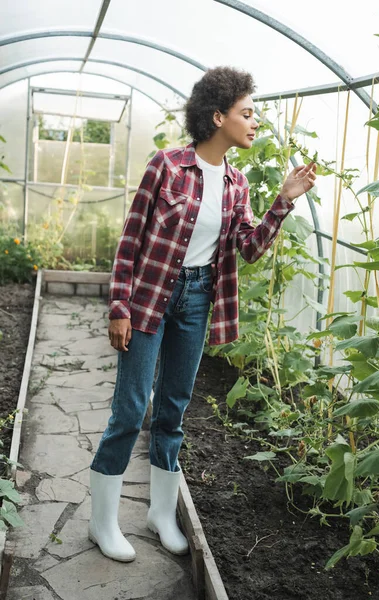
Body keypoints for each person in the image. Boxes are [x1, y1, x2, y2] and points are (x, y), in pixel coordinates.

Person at [89, 66, 317, 562]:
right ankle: (102, 523)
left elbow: (249, 249)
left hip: (195, 302)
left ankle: (160, 514)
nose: (255, 122)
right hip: (150, 297)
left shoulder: (238, 183)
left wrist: (283, 201)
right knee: (130, 410)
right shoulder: (167, 166)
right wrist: (118, 306)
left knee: (172, 411)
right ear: (218, 117)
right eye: (247, 113)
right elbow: (130, 239)